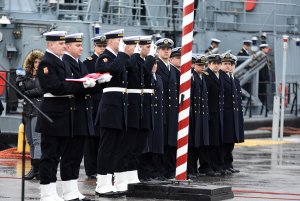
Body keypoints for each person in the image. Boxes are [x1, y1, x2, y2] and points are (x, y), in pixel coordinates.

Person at [37, 31, 96, 201]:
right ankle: (47, 193)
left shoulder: (61, 62)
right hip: (53, 115)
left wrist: (86, 84)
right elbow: (55, 87)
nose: (64, 46)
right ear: (50, 45)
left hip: (63, 116)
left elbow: (66, 85)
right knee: (50, 155)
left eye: (64, 43)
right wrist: (81, 85)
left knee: (65, 155)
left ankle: (69, 191)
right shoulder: (46, 63)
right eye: (61, 44)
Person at [61, 33, 106, 201]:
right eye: (78, 45)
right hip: (72, 113)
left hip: (83, 112)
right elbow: (67, 86)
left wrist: (101, 83)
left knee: (76, 155)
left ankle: (73, 190)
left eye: (81, 45)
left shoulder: (79, 63)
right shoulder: (65, 62)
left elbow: (87, 88)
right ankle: (67, 191)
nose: (81, 48)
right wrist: (85, 85)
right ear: (68, 46)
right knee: (69, 155)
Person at [94, 29, 133, 196]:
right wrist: (124, 54)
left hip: (120, 108)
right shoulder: (105, 57)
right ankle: (101, 183)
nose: (122, 44)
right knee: (107, 147)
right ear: (111, 41)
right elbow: (114, 70)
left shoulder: (118, 58)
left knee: (117, 147)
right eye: (120, 41)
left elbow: (129, 68)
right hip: (110, 109)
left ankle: (113, 181)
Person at [16, 50, 44, 180]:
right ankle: (34, 167)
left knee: (37, 140)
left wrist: (27, 93)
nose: (37, 64)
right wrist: (19, 81)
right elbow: (19, 93)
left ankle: (36, 169)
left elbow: (41, 90)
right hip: (27, 110)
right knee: (31, 141)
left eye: (39, 62)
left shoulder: (44, 75)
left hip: (38, 109)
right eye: (35, 62)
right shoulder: (26, 75)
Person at [82, 35, 107, 179]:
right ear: (95, 47)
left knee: (103, 137)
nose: (102, 49)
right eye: (100, 46)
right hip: (93, 104)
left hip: (106, 103)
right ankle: (91, 169)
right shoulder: (88, 63)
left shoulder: (109, 61)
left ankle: (101, 167)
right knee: (91, 138)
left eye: (104, 46)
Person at [155, 38, 179, 179]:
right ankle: (159, 172)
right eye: (163, 49)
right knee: (161, 142)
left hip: (172, 111)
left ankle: (170, 171)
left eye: (168, 49)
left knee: (171, 142)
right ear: (158, 50)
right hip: (161, 109)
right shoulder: (156, 66)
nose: (166, 51)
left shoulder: (174, 71)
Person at [188, 55, 210, 178]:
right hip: (193, 115)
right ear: (193, 65)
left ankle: (194, 169)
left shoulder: (202, 77)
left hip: (200, 115)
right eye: (200, 65)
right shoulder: (191, 77)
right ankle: (189, 169)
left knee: (198, 143)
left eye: (203, 65)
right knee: (192, 144)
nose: (202, 67)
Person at [219, 53, 240, 175]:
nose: (229, 66)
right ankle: (222, 165)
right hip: (224, 114)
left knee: (230, 142)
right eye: (226, 64)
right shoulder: (221, 77)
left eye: (231, 64)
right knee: (223, 142)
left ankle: (228, 164)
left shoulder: (234, 79)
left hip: (232, 114)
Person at [204, 54, 225, 176]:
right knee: (211, 141)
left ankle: (217, 166)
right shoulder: (207, 76)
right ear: (209, 64)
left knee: (217, 141)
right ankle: (208, 167)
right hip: (210, 113)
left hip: (218, 112)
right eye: (214, 63)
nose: (216, 65)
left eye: (218, 63)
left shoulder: (220, 75)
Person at [259, 43, 271, 114]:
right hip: (261, 80)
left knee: (263, 94)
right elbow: (261, 69)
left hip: (263, 80)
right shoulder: (261, 56)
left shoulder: (264, 56)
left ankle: (264, 108)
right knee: (261, 94)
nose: (267, 49)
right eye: (266, 48)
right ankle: (263, 109)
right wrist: (263, 79)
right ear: (262, 49)